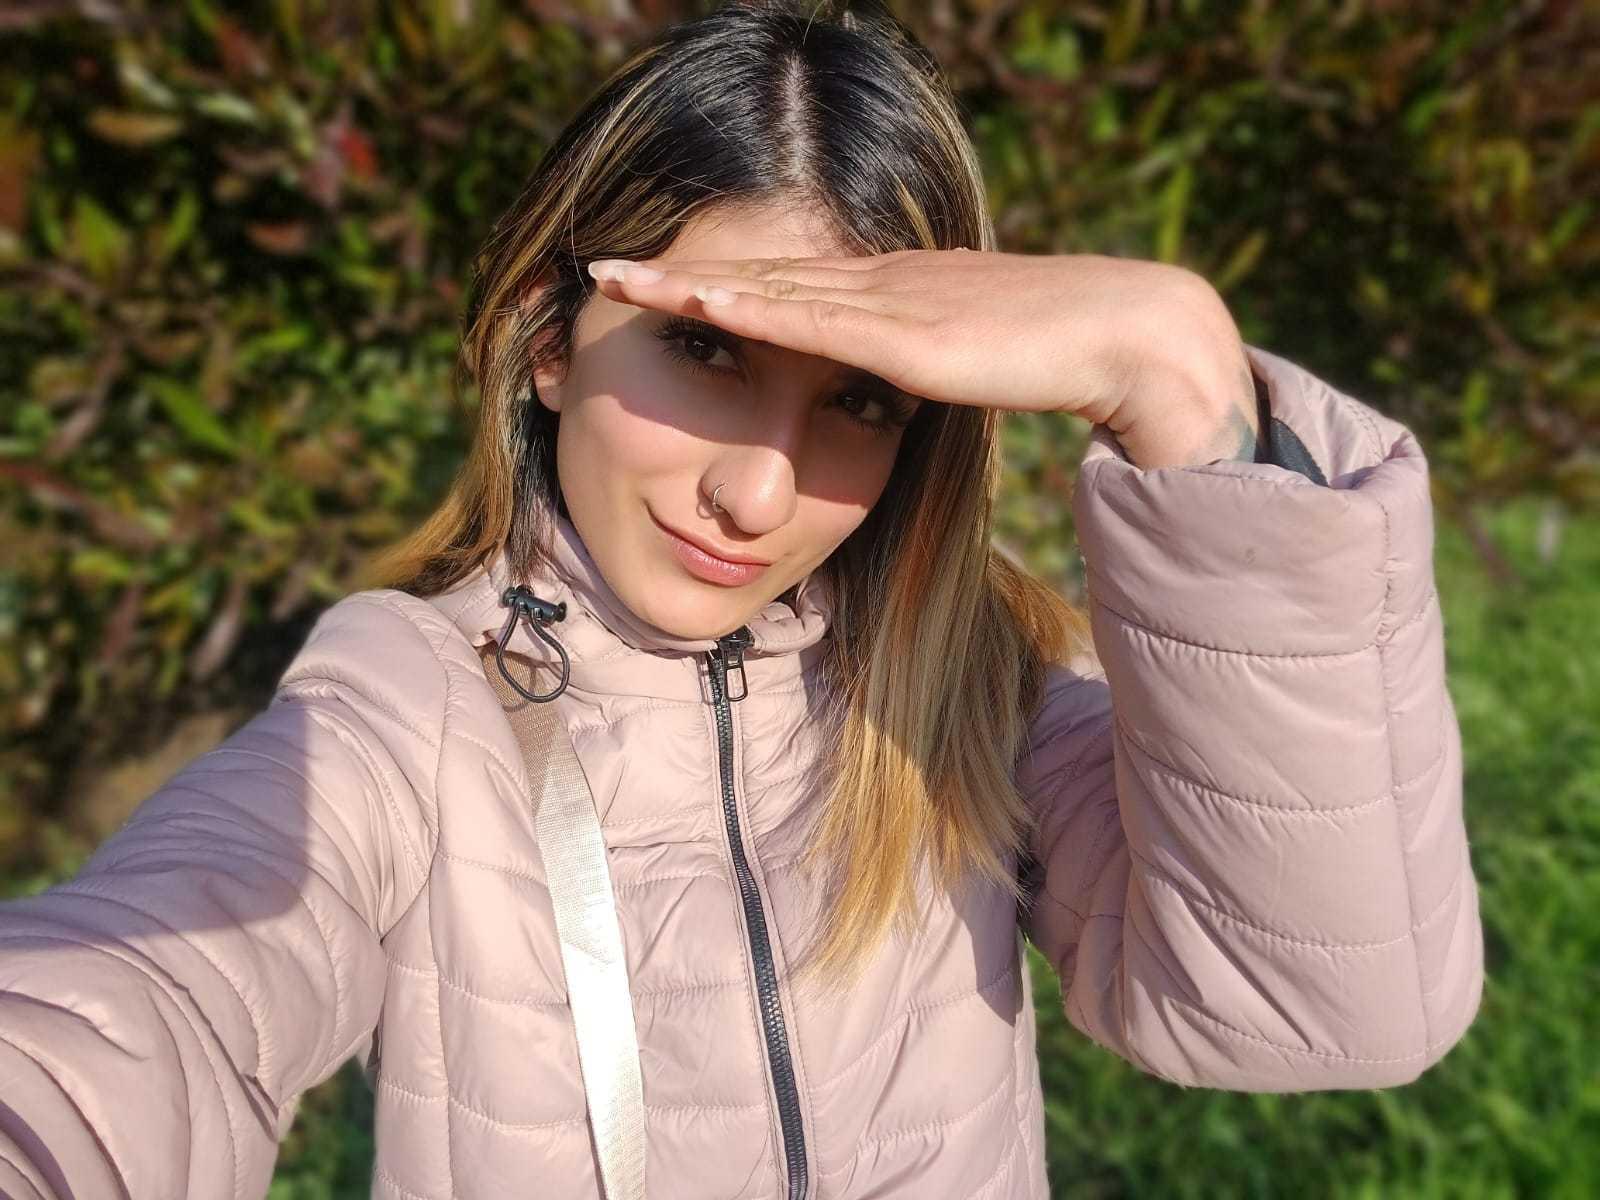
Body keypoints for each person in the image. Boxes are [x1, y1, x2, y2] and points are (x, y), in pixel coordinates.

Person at [0, 2, 1484, 1198]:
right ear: (550, 343)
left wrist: (1177, 378)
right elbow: (137, 1011)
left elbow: (1320, 1010)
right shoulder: (408, 705)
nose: (762, 496)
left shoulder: (972, 687)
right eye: (706, 353)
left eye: (862, 401)